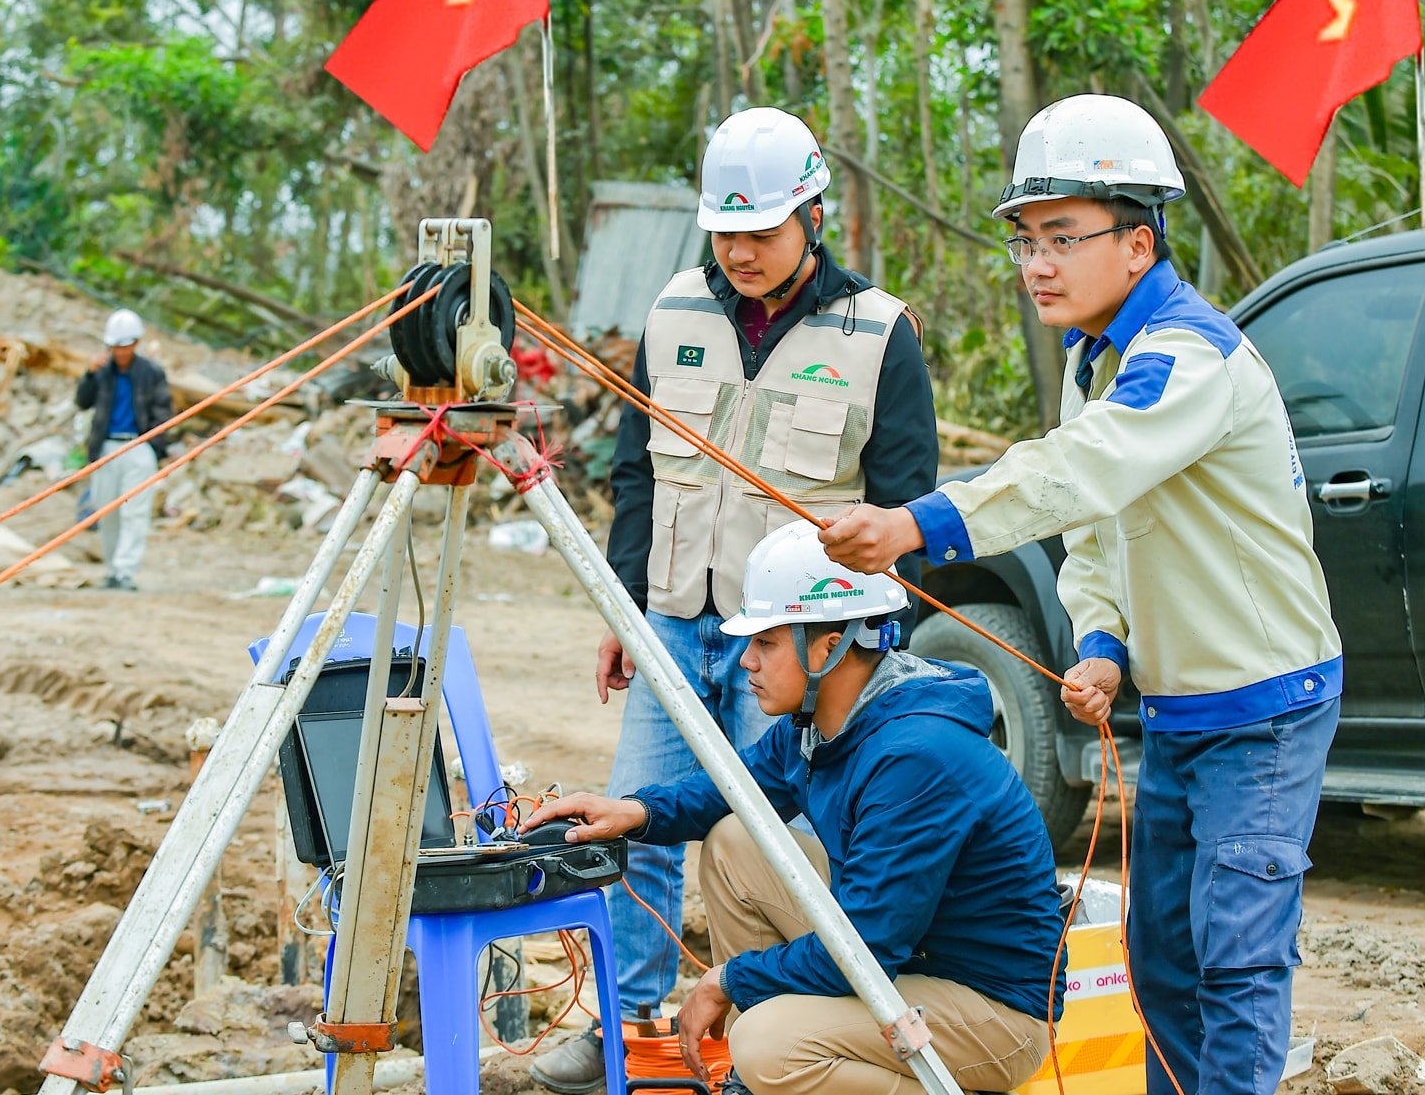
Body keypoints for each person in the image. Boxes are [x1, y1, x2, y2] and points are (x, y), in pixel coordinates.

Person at [818, 93, 1343, 1095]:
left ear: (1137, 242)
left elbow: (1084, 468)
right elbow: (1098, 531)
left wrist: (920, 522)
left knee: (1232, 956)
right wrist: (1099, 639)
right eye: (1023, 239)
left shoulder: (1186, 357)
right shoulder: (1093, 360)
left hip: (1264, 706)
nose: (1037, 264)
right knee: (1160, 959)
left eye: (1062, 236)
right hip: (1183, 707)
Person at [530, 106, 940, 1093]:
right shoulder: (671, 312)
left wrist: (869, 656)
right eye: (726, 230)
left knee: (784, 839)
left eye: (761, 230)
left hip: (803, 644)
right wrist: (621, 606)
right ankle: (624, 1025)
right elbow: (636, 474)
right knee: (635, 823)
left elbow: (904, 508)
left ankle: (782, 1026)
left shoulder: (877, 331)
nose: (740, 250)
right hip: (672, 617)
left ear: (811, 214)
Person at [522, 521, 1063, 1095]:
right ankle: (759, 1078)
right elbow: (734, 789)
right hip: (912, 957)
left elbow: (871, 944)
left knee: (768, 1045)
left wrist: (729, 981)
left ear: (828, 647)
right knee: (737, 841)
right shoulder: (819, 725)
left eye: (765, 642)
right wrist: (635, 811)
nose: (746, 661)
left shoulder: (915, 756)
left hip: (991, 1009)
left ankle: (772, 1069)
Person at [75, 308, 174, 591]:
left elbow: (163, 413)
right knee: (107, 511)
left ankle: (125, 571)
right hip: (106, 448)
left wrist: (154, 448)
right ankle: (111, 570)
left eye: (125, 345)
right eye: (116, 346)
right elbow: (82, 402)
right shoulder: (101, 373)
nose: (120, 351)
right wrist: (89, 375)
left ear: (136, 343)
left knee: (135, 512)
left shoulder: (152, 373)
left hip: (138, 446)